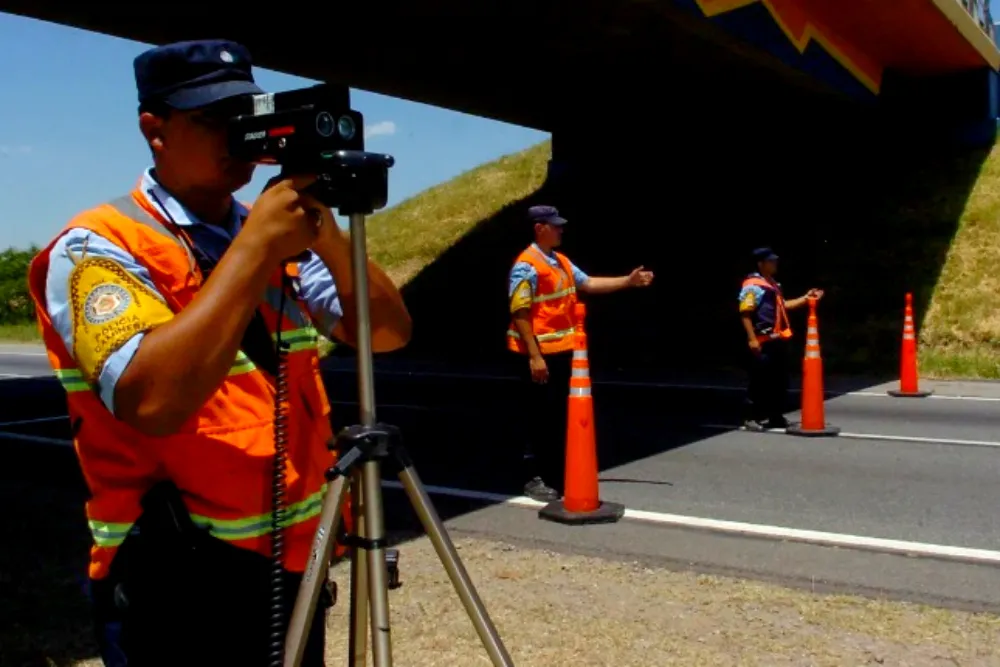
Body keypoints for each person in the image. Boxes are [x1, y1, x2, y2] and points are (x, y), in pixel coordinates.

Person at [25, 39, 412, 667]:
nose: (237, 135)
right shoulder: (97, 246)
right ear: (155, 130)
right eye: (211, 119)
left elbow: (387, 333)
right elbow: (150, 400)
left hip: (292, 562)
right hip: (175, 577)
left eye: (244, 115)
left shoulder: (273, 230)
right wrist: (254, 249)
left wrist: (327, 232)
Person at [506, 205, 654, 502]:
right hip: (538, 353)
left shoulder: (559, 260)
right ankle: (534, 476)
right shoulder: (527, 265)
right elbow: (520, 311)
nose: (561, 229)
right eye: (555, 225)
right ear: (539, 228)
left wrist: (627, 281)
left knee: (557, 416)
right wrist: (535, 356)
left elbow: (587, 283)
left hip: (561, 351)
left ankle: (554, 473)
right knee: (540, 417)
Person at [738, 247, 823, 431]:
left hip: (778, 339)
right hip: (763, 339)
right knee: (760, 380)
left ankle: (775, 415)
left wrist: (805, 299)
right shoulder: (753, 285)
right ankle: (752, 416)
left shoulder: (773, 284)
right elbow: (745, 312)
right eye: (770, 261)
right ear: (761, 264)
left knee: (779, 380)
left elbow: (782, 306)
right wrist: (752, 339)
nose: (775, 263)